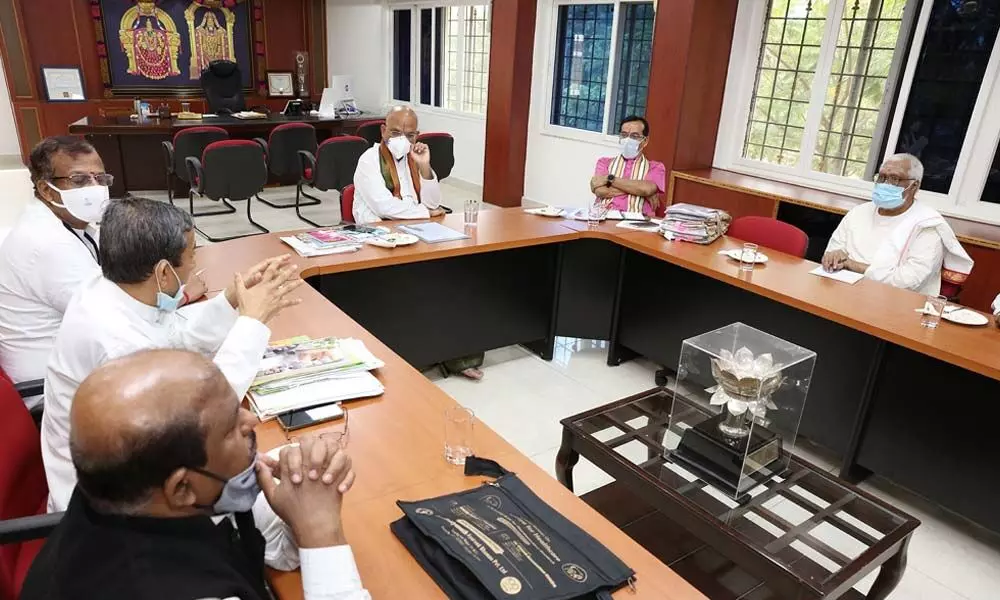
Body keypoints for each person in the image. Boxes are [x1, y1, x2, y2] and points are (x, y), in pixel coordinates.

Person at [22, 349, 369, 600]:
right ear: (183, 487)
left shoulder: (124, 490)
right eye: (233, 427)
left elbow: (271, 551)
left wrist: (299, 509)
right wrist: (322, 532)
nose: (252, 421)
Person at [41, 196, 301, 512]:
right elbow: (202, 416)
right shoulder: (118, 345)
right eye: (192, 256)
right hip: (115, 506)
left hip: (133, 464)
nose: (194, 265)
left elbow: (173, 336)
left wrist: (230, 301)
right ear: (164, 272)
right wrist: (253, 322)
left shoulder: (111, 287)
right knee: (289, 495)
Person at [0, 137, 205, 408]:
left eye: (100, 179)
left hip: (86, 361)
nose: (95, 189)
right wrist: (183, 295)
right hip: (51, 389)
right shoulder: (47, 244)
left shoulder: (76, 225)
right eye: (79, 180)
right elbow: (121, 313)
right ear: (46, 190)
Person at [821, 153, 973, 296]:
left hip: (896, 304)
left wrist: (853, 265)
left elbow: (908, 282)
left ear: (914, 186)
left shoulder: (927, 225)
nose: (885, 184)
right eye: (881, 177)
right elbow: (833, 250)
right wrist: (832, 257)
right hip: (843, 291)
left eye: (895, 178)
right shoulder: (858, 212)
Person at [353, 105, 445, 224]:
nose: (402, 140)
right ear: (383, 131)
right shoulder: (369, 159)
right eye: (396, 133)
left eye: (409, 135)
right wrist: (424, 212)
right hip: (378, 229)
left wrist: (424, 166)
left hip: (415, 224)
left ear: (416, 135)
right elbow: (383, 208)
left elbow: (433, 204)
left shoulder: (414, 157)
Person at [590, 116, 667, 218]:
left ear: (645, 141)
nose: (628, 140)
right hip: (605, 217)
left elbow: (646, 189)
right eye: (624, 135)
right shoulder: (604, 163)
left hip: (638, 223)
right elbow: (600, 191)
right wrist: (638, 191)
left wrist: (610, 179)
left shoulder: (655, 167)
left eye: (634, 136)